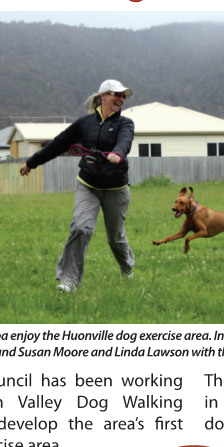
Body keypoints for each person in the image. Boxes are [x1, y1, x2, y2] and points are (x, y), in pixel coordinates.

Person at [19, 78, 135, 292]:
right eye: (117, 94)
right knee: (81, 227)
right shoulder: (84, 123)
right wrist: (31, 163)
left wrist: (118, 153)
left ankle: (127, 268)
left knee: (116, 237)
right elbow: (57, 144)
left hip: (116, 189)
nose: (121, 98)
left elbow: (125, 140)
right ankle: (69, 280)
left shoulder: (124, 123)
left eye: (123, 96)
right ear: (103, 96)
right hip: (88, 185)